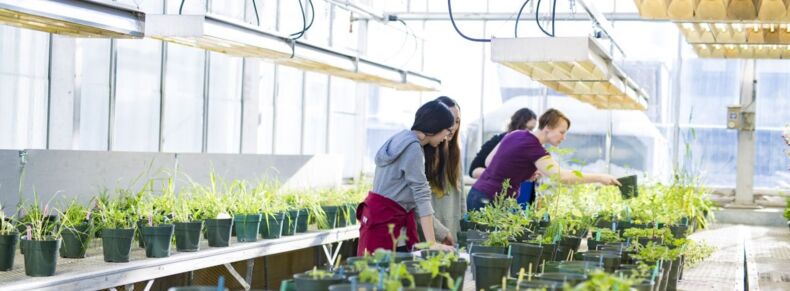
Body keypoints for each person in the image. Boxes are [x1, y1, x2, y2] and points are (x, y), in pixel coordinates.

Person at [467, 108, 621, 211]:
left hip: (478, 194)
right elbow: (562, 177)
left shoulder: (515, 134)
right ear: (547, 127)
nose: (564, 137)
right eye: (562, 132)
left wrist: (521, 173)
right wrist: (600, 177)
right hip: (489, 200)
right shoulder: (534, 147)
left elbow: (489, 161)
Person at [357, 100, 456, 255]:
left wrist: (440, 234)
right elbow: (421, 195)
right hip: (387, 224)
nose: (446, 137)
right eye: (447, 131)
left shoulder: (400, 138)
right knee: (385, 275)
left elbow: (411, 198)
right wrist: (432, 244)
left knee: (374, 274)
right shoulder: (413, 148)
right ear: (435, 126)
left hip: (376, 219)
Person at [424, 96, 465, 247]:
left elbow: (461, 199)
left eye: (457, 121)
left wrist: (462, 230)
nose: (453, 126)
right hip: (429, 234)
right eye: (449, 119)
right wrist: (439, 232)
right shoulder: (423, 153)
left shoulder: (455, 154)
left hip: (450, 234)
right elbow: (420, 204)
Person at [469, 108, 538, 179]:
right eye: (528, 128)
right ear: (518, 125)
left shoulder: (527, 146)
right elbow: (473, 170)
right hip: (494, 185)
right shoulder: (498, 140)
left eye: (532, 129)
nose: (530, 133)